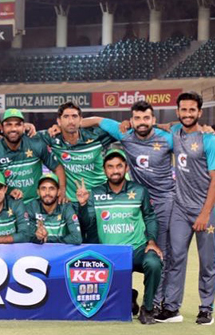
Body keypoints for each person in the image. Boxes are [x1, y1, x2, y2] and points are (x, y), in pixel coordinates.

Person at [80, 100, 174, 313]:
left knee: (160, 253)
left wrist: (175, 126)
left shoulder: (164, 137)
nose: (142, 122)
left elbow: (182, 133)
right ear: (131, 120)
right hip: (139, 196)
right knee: (121, 237)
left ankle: (156, 302)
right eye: (137, 118)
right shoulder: (125, 134)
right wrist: (68, 125)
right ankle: (128, 294)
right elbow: (95, 119)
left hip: (163, 200)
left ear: (154, 120)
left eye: (146, 118)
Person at [76, 148, 162, 325]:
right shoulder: (95, 193)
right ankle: (129, 296)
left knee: (153, 262)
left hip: (135, 250)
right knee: (113, 307)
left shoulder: (139, 191)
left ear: (126, 168)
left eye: (119, 166)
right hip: (108, 254)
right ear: (104, 170)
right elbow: (86, 224)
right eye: (110, 166)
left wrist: (152, 241)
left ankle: (147, 309)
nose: (115, 170)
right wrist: (83, 205)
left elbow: (150, 217)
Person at [157, 92, 215, 325]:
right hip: (180, 209)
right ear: (178, 111)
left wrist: (204, 213)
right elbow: (162, 125)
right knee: (175, 258)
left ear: (199, 112)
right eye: (184, 110)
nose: (188, 114)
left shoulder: (209, 139)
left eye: (193, 110)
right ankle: (171, 308)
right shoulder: (174, 132)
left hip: (207, 211)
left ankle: (205, 308)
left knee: (208, 261)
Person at [0, 109, 67, 205]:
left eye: (18, 124)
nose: (13, 129)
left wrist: (62, 189)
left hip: (35, 205)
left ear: (24, 127)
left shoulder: (36, 144)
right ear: (1, 128)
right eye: (9, 125)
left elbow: (57, 168)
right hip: (7, 206)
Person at [35, 102, 114, 201]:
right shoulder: (52, 137)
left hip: (100, 198)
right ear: (59, 121)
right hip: (72, 202)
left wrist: (97, 120)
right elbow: (23, 137)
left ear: (81, 120)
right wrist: (27, 125)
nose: (71, 121)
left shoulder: (95, 135)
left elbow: (121, 129)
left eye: (74, 116)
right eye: (66, 117)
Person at [26, 173, 81, 244]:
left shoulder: (66, 207)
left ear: (58, 192)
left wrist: (46, 239)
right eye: (43, 188)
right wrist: (37, 237)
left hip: (62, 253)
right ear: (38, 192)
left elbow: (77, 238)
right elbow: (26, 236)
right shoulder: (32, 207)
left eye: (51, 188)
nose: (47, 193)